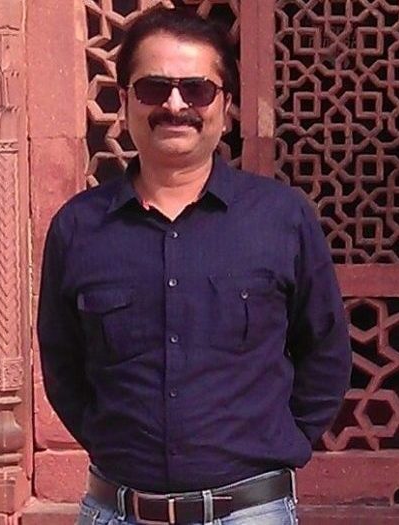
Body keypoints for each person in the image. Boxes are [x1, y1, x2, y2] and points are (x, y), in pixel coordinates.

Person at [37, 7, 351, 525]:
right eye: (154, 88)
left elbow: (325, 351)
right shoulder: (79, 228)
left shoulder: (281, 218)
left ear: (225, 107)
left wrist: (278, 442)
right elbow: (63, 366)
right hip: (118, 510)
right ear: (124, 102)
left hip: (249, 512)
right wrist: (119, 445)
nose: (175, 105)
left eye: (197, 90)